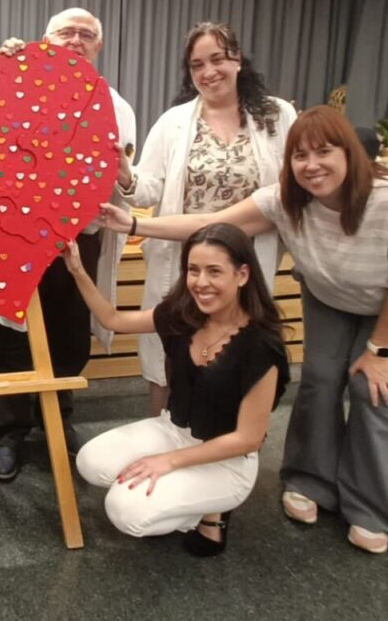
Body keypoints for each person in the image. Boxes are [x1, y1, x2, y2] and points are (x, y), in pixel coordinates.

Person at [99, 106, 388, 554]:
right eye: (300, 155)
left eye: (324, 152)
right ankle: (310, 481)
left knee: (373, 390)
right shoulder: (285, 200)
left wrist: (380, 351)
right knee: (319, 382)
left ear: (349, 153)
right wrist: (136, 223)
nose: (312, 165)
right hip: (332, 296)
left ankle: (371, 508)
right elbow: (209, 224)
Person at [67, 223, 288, 555]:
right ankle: (186, 494)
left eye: (214, 271)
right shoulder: (183, 314)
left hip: (227, 458)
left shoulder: (262, 345)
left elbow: (248, 439)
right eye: (193, 270)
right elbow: (113, 320)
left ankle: (213, 511)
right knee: (90, 462)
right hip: (172, 429)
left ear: (242, 275)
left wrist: (167, 461)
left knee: (125, 511)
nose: (201, 282)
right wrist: (77, 270)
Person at [0, 7, 137, 481]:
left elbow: (121, 174)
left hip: (80, 238)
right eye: (66, 32)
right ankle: (10, 430)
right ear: (44, 39)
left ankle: (60, 416)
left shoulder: (115, 105)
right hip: (15, 236)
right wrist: (1, 71)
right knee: (11, 336)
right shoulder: (12, 85)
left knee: (69, 333)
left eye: (86, 34)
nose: (76, 40)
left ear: (98, 47)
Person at [118, 22, 296, 417]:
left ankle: (235, 441)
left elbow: (293, 182)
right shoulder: (174, 122)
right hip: (185, 260)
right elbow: (149, 188)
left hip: (243, 262)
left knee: (238, 351)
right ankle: (164, 431)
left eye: (218, 59)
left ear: (238, 60)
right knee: (172, 352)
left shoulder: (277, 114)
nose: (209, 72)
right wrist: (127, 177)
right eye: (197, 65)